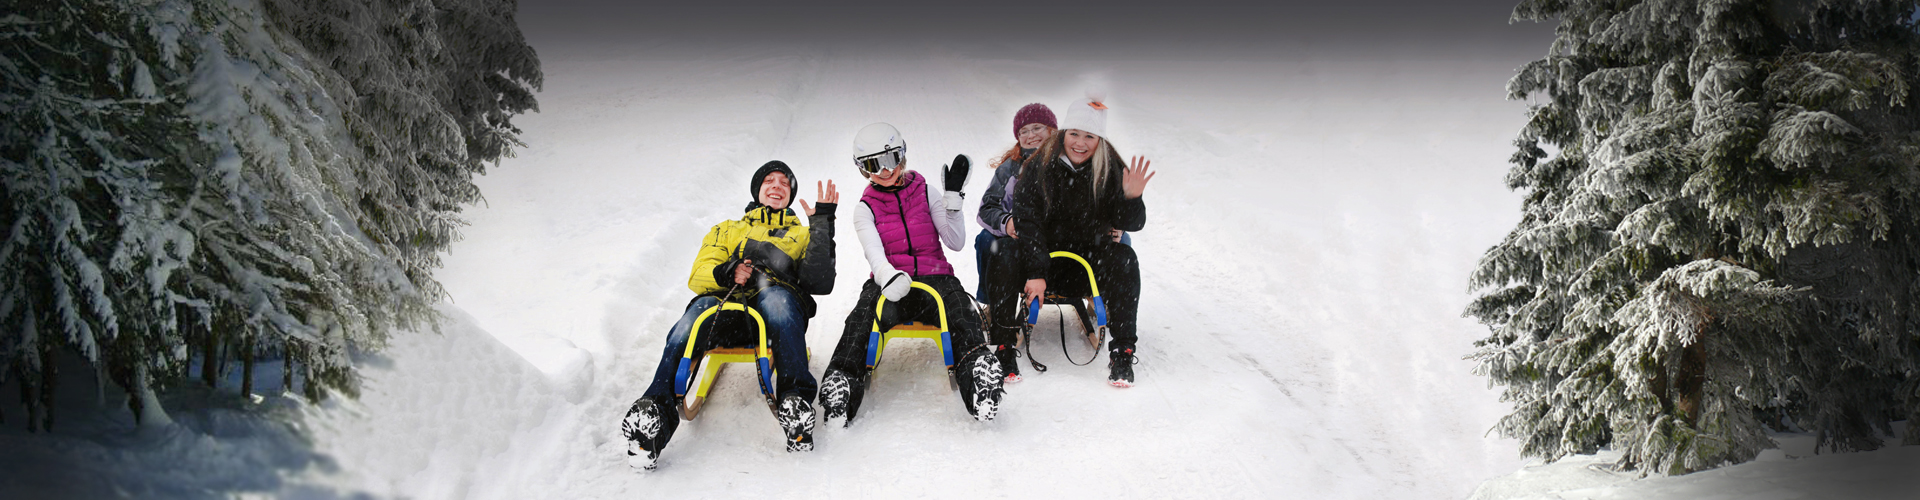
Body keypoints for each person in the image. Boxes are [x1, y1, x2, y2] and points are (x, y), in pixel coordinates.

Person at [621, 161, 839, 470]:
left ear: (790, 196)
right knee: (691, 320)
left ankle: (796, 404)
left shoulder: (801, 234)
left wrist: (821, 226)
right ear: (757, 190)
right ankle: (654, 416)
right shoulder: (726, 229)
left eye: (784, 183)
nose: (777, 185)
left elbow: (820, 282)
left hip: (774, 312)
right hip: (725, 308)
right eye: (769, 181)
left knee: (778, 300)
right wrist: (728, 270)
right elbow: (698, 275)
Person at [819, 123, 1005, 424]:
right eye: (871, 165)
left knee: (960, 309)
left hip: (936, 276)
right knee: (862, 316)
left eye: (889, 160)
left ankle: (979, 376)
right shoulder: (865, 208)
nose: (882, 171)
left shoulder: (926, 191)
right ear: (862, 169)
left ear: (901, 156)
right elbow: (874, 253)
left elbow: (955, 242)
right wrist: (887, 274)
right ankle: (841, 385)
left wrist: (953, 201)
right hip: (890, 280)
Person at [985, 92, 1155, 388]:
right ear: (1063, 133)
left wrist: (1132, 197)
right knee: (1002, 251)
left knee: (1125, 258)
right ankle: (1003, 348)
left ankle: (1123, 351)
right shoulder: (1038, 166)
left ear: (1099, 140)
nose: (1080, 142)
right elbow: (1028, 220)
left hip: (1086, 267)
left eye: (1089, 136)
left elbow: (1132, 224)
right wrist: (1037, 273)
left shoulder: (1110, 168)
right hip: (1041, 267)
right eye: (1074, 133)